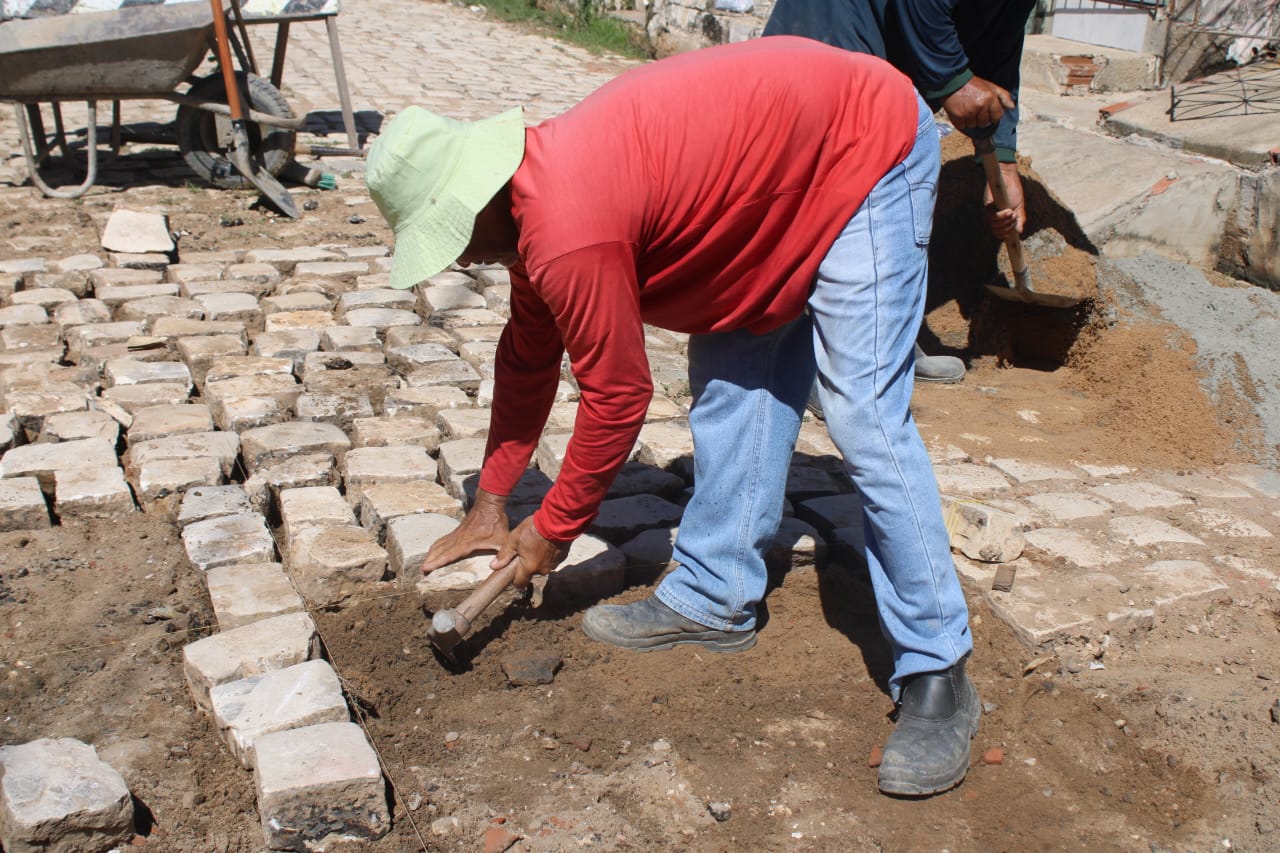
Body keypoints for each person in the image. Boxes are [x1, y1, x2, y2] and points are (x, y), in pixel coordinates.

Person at [367, 37, 978, 797]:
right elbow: (528, 356)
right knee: (731, 378)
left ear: (480, 196)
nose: (460, 262)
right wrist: (493, 502)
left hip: (863, 148)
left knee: (863, 414)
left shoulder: (566, 225)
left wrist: (553, 527)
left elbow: (618, 395)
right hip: (767, 186)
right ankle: (716, 594)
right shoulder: (528, 212)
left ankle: (937, 668)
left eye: (453, 238)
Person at [764, 0, 1038, 390]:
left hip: (897, 58)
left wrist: (1003, 161)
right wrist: (953, 79)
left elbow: (999, 47)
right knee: (816, 208)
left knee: (887, 205)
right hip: (832, 32)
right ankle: (798, 364)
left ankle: (882, 348)